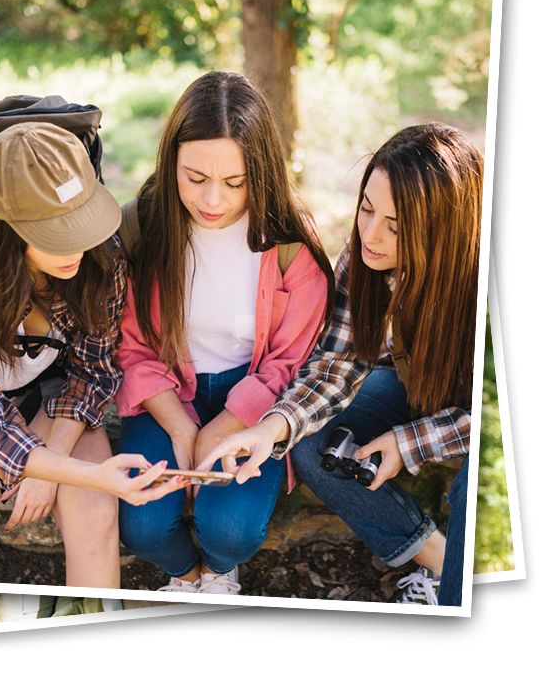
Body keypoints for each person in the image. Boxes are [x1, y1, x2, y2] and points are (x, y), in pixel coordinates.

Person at [198, 123, 482, 606]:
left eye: (396, 227)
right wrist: (271, 428)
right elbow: (337, 364)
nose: (370, 236)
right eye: (367, 210)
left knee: (469, 493)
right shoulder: (365, 252)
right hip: (414, 383)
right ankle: (435, 556)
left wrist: (408, 442)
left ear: (445, 231)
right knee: (312, 446)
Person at [0, 122, 185, 586]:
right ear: (4, 227)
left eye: (81, 222)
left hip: (51, 396)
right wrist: (57, 467)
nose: (77, 247)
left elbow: (93, 372)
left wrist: (52, 469)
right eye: (54, 233)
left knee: (95, 520)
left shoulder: (102, 257)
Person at [114, 71, 334, 595]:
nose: (213, 199)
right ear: (171, 163)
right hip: (165, 390)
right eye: (195, 178)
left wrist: (227, 425)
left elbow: (288, 360)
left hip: (255, 395)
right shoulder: (141, 229)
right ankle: (185, 575)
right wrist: (183, 428)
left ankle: (218, 571)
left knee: (232, 530)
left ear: (260, 173)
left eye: (235, 183)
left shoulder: (289, 246)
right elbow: (132, 343)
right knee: (142, 526)